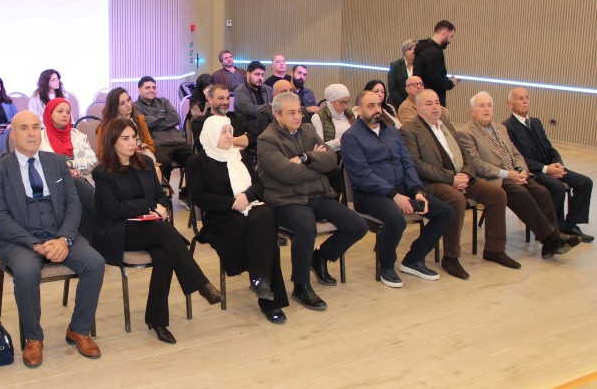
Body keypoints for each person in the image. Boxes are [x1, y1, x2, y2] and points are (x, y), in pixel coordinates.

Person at [0, 111, 104, 368]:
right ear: (12, 135)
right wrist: (34, 244)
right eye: (24, 128)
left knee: (95, 263)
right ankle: (33, 338)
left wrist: (64, 239)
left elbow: (73, 204)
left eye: (35, 127)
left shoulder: (57, 162)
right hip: (21, 240)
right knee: (27, 272)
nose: (31, 133)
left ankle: (79, 329)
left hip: (60, 233)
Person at [92, 118, 222, 344]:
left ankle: (157, 320)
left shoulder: (144, 162)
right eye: (125, 138)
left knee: (164, 255)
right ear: (112, 141)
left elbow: (160, 196)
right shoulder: (103, 172)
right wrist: (147, 206)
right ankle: (201, 284)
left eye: (134, 138)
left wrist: (159, 207)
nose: (132, 143)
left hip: (148, 227)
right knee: (165, 233)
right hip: (118, 231)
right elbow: (112, 209)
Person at [257, 93, 367, 309]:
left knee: (357, 225)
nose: (298, 116)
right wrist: (315, 165)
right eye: (291, 113)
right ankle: (301, 285)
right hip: (286, 200)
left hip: (317, 195)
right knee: (306, 227)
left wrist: (305, 158)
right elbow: (285, 173)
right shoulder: (266, 140)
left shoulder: (307, 130)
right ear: (277, 115)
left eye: (299, 111)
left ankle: (320, 257)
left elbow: (331, 160)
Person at [400, 90, 517, 279]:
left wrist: (466, 174)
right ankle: (451, 257)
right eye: (429, 104)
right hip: (432, 182)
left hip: (460, 176)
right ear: (418, 108)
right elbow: (417, 165)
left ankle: (494, 249)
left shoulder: (446, 125)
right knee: (456, 200)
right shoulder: (409, 130)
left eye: (437, 102)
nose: (435, 107)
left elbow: (465, 154)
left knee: (497, 194)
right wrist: (451, 178)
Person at [341, 90, 453, 288]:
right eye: (371, 106)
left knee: (444, 212)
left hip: (401, 189)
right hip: (369, 194)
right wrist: (394, 195)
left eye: (378, 105)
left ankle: (413, 259)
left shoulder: (392, 132)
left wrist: (417, 191)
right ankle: (386, 266)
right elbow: (363, 175)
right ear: (358, 110)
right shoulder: (351, 137)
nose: (377, 109)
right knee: (395, 220)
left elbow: (407, 163)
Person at [455, 92, 586, 258]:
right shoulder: (465, 132)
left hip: (514, 173)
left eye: (489, 105)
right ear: (471, 111)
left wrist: (521, 169)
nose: (487, 109)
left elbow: (516, 153)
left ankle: (550, 242)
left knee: (542, 192)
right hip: (494, 178)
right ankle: (553, 238)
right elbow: (478, 165)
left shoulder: (500, 128)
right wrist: (508, 174)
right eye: (481, 106)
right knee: (521, 193)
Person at [187, 115, 289, 322]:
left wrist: (246, 197)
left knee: (265, 215)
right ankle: (268, 298)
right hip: (220, 218)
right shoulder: (197, 162)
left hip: (250, 208)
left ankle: (260, 281)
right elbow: (199, 197)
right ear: (211, 135)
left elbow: (258, 186)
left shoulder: (240, 156)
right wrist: (232, 203)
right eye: (223, 132)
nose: (229, 136)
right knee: (266, 235)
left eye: (230, 131)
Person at [503, 87, 593, 242]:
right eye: (520, 98)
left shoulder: (536, 122)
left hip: (550, 166)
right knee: (557, 187)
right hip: (533, 170)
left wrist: (558, 165)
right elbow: (518, 158)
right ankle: (555, 229)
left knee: (585, 182)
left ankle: (570, 225)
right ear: (510, 104)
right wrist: (546, 169)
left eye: (527, 97)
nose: (525, 101)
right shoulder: (507, 127)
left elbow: (549, 148)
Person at [39, 98, 98, 231]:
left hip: (81, 178)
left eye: (68, 112)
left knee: (82, 195)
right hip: (53, 183)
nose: (65, 115)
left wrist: (72, 164)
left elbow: (92, 161)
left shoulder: (78, 135)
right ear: (50, 114)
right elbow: (40, 164)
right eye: (60, 111)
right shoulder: (40, 138)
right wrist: (64, 171)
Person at [133, 76, 192, 186]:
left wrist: (154, 120)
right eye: (147, 87)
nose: (151, 90)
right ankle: (164, 193)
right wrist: (163, 116)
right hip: (159, 144)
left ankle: (189, 192)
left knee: (196, 161)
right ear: (139, 89)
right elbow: (144, 123)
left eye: (154, 87)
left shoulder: (164, 101)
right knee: (164, 164)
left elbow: (175, 119)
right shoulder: (135, 106)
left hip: (178, 141)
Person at [191, 84, 251, 159]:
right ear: (210, 99)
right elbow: (207, 148)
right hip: (213, 163)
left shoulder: (237, 118)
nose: (225, 102)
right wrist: (240, 143)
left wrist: (221, 141)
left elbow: (250, 139)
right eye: (221, 98)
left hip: (240, 161)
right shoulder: (200, 123)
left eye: (228, 98)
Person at [96, 87, 156, 161]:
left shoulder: (139, 120)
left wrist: (144, 147)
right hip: (117, 162)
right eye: (122, 103)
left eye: (128, 100)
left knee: (151, 162)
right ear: (114, 107)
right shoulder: (104, 127)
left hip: (142, 158)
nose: (128, 105)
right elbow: (101, 155)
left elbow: (151, 146)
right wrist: (124, 152)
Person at [414, 20, 459, 107]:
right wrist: (450, 83)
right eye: (451, 36)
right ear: (444, 33)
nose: (450, 40)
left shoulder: (422, 49)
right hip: (432, 101)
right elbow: (434, 80)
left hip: (423, 99)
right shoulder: (434, 52)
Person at [311, 84, 354, 151]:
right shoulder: (317, 118)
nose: (345, 105)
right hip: (333, 154)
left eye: (347, 101)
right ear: (331, 101)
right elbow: (320, 146)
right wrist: (340, 141)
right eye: (342, 102)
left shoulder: (351, 113)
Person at [386, 39, 417, 111]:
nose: (412, 52)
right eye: (409, 49)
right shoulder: (395, 65)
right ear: (404, 50)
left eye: (415, 49)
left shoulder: (420, 66)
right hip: (396, 104)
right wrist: (404, 104)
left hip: (415, 104)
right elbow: (392, 88)